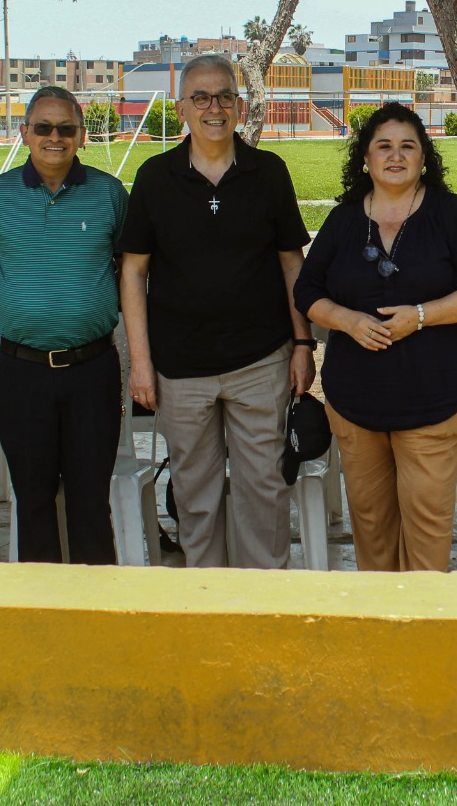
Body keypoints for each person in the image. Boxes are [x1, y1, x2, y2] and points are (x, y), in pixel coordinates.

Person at [120, 54, 315, 569]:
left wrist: (302, 344)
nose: (214, 107)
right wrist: (140, 362)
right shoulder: (155, 178)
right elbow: (133, 272)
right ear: (181, 108)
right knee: (195, 497)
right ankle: (204, 602)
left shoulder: (267, 172)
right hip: (180, 371)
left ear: (240, 105)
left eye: (224, 96)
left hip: (260, 363)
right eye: (201, 97)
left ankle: (262, 603)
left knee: (265, 494)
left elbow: (292, 264)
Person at [293, 103, 457, 571]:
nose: (396, 155)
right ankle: (380, 632)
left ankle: (422, 635)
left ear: (424, 157)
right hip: (355, 405)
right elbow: (307, 291)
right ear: (365, 157)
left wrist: (421, 316)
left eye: (408, 146)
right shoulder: (345, 220)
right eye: (383, 146)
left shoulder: (448, 213)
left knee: (426, 533)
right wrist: (346, 320)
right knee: (371, 527)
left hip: (433, 404)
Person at [0, 87, 128, 565]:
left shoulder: (108, 194)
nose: (54, 137)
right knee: (32, 502)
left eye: (66, 129)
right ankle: (42, 616)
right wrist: (16, 301)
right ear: (25, 133)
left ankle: (96, 609)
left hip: (92, 369)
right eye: (43, 128)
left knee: (89, 501)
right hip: (23, 372)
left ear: (81, 136)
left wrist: (88, 299)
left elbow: (128, 266)